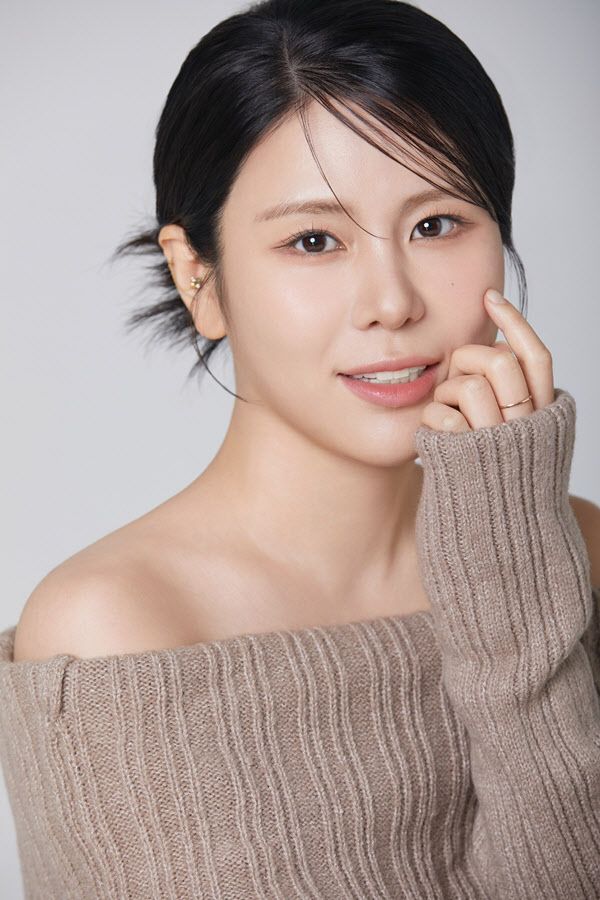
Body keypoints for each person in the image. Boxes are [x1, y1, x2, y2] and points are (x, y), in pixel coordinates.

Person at [1, 1, 599, 897]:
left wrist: (510, 553)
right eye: (313, 241)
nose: (392, 302)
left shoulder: (572, 547)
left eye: (436, 224)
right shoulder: (114, 630)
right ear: (199, 278)